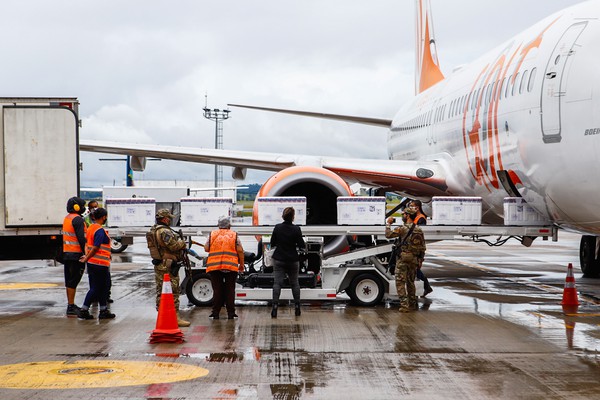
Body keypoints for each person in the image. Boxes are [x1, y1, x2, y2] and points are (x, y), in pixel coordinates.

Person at [148, 209, 190, 327]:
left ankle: (162, 315)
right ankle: (175, 317)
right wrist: (182, 242)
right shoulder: (165, 231)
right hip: (168, 265)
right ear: (165, 219)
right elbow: (174, 246)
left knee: (161, 290)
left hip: (159, 264)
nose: (170, 220)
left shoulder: (154, 229)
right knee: (173, 290)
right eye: (169, 218)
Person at [385, 207, 426, 312]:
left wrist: (388, 224)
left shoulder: (402, 229)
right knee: (410, 282)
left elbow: (388, 235)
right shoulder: (419, 229)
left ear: (408, 215)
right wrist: (420, 260)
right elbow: (422, 247)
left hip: (403, 259)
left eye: (404, 214)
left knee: (400, 282)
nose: (403, 216)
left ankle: (404, 305)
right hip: (414, 259)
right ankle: (412, 304)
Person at [204, 216, 244, 320]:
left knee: (217, 290)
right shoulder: (234, 235)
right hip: (230, 266)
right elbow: (240, 250)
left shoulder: (212, 234)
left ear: (218, 225)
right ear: (229, 225)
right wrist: (242, 264)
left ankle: (215, 313)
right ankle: (231, 313)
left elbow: (206, 248)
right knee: (230, 290)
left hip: (214, 266)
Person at [78, 208, 115, 320]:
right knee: (96, 288)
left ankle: (103, 310)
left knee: (102, 287)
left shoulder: (91, 228)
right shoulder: (99, 230)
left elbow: (87, 244)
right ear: (103, 217)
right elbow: (96, 247)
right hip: (99, 264)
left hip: (94, 263)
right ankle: (84, 310)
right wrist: (87, 258)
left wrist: (86, 256)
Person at [270, 207, 306, 318]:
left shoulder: (277, 227)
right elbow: (301, 245)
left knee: (277, 283)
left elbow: (272, 242)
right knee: (295, 283)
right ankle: (297, 307)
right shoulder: (296, 229)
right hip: (292, 259)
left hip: (279, 258)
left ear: (283, 216)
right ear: (293, 216)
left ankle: (275, 308)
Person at [62, 196, 87, 317]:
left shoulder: (67, 218)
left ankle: (70, 304)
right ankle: (71, 306)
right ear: (77, 207)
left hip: (68, 253)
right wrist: (87, 254)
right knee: (73, 280)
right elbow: (82, 239)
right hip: (76, 254)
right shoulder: (77, 219)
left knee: (69, 280)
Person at [409, 200, 433, 297]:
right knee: (415, 269)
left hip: (418, 248)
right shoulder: (416, 218)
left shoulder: (421, 219)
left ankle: (427, 287)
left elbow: (419, 235)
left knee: (416, 269)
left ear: (417, 208)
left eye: (412, 206)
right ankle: (426, 287)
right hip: (415, 246)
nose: (410, 208)